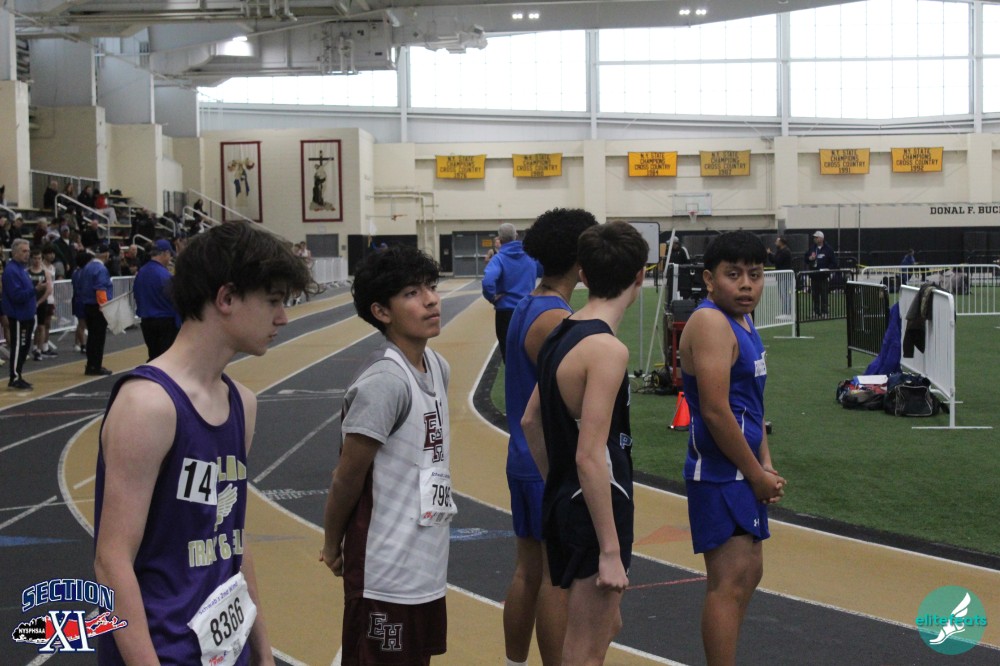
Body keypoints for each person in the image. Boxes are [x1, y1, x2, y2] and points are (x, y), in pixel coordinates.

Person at [93, 222, 310, 665]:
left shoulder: (242, 404)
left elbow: (231, 540)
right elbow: (111, 563)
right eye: (273, 301)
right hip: (162, 651)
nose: (283, 318)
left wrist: (262, 651)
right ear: (226, 298)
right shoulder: (148, 405)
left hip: (227, 650)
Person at [521, 221, 648, 666]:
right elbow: (590, 454)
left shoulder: (561, 330)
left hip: (567, 502)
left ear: (584, 274)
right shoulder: (607, 350)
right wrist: (610, 550)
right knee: (584, 650)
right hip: (598, 507)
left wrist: (559, 486)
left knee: (605, 626)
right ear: (640, 276)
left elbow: (531, 420)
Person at [321, 245, 453, 665]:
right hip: (384, 571)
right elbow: (347, 477)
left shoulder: (437, 366)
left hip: (426, 565)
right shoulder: (385, 382)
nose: (430, 300)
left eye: (430, 287)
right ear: (381, 311)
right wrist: (331, 543)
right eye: (412, 293)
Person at [678, 231, 786, 666]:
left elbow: (750, 404)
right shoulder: (710, 323)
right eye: (733, 274)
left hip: (742, 469)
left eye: (754, 275)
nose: (746, 285)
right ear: (709, 279)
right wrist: (755, 473)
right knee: (728, 583)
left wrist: (765, 463)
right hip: (720, 473)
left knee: (747, 574)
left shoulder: (743, 320)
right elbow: (716, 410)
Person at [502, 208, 597, 666]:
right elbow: (572, 401)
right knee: (557, 579)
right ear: (581, 260)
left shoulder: (528, 304)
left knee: (528, 571)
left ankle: (514, 662)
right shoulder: (556, 318)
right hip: (546, 461)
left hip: (523, 458)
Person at [482, 223, 539, 362]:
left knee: (509, 356)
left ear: (500, 239)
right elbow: (544, 271)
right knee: (529, 354)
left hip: (506, 312)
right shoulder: (530, 256)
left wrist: (492, 297)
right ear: (516, 235)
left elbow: (488, 282)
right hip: (528, 310)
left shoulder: (499, 259)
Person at [2, 239, 40, 389]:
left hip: (26, 315)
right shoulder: (12, 271)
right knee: (18, 347)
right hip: (18, 316)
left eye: (28, 251)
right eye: (24, 251)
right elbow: (16, 296)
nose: (27, 254)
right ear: (15, 253)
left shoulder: (21, 269)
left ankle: (18, 374)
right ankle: (14, 377)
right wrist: (35, 290)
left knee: (24, 347)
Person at [134, 239, 180, 361]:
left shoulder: (142, 272)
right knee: (166, 358)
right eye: (170, 254)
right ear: (165, 253)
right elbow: (175, 298)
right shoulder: (165, 275)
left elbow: (137, 294)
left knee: (153, 356)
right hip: (166, 320)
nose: (170, 258)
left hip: (147, 320)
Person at [79, 242, 114, 376]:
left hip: (88, 305)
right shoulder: (101, 269)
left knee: (92, 337)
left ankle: (91, 364)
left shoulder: (87, 267)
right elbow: (100, 289)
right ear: (106, 254)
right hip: (98, 307)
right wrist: (105, 307)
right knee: (98, 338)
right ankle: (96, 366)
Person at [27, 246, 53, 361]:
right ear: (31, 259)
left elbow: (49, 289)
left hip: (41, 302)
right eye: (35, 258)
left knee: (41, 326)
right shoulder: (27, 272)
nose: (37, 261)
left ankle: (39, 350)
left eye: (39, 258)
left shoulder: (45, 273)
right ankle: (29, 348)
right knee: (28, 326)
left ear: (41, 259)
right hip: (29, 302)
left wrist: (39, 302)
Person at [804, 230, 837, 317]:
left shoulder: (828, 249)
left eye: (816, 237)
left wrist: (828, 269)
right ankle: (816, 311)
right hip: (814, 276)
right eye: (814, 238)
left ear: (821, 238)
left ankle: (824, 312)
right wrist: (810, 258)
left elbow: (834, 262)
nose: (814, 239)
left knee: (824, 295)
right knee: (815, 295)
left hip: (823, 276)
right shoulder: (812, 248)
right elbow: (806, 259)